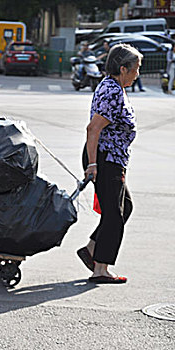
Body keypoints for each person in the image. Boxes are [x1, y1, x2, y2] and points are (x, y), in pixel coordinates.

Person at [77, 43, 142, 284]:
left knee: (125, 206)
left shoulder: (113, 86)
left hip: (111, 157)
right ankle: (100, 269)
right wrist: (93, 165)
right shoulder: (112, 91)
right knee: (114, 214)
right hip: (105, 158)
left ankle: (92, 249)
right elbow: (93, 128)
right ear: (123, 69)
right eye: (135, 68)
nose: (138, 73)